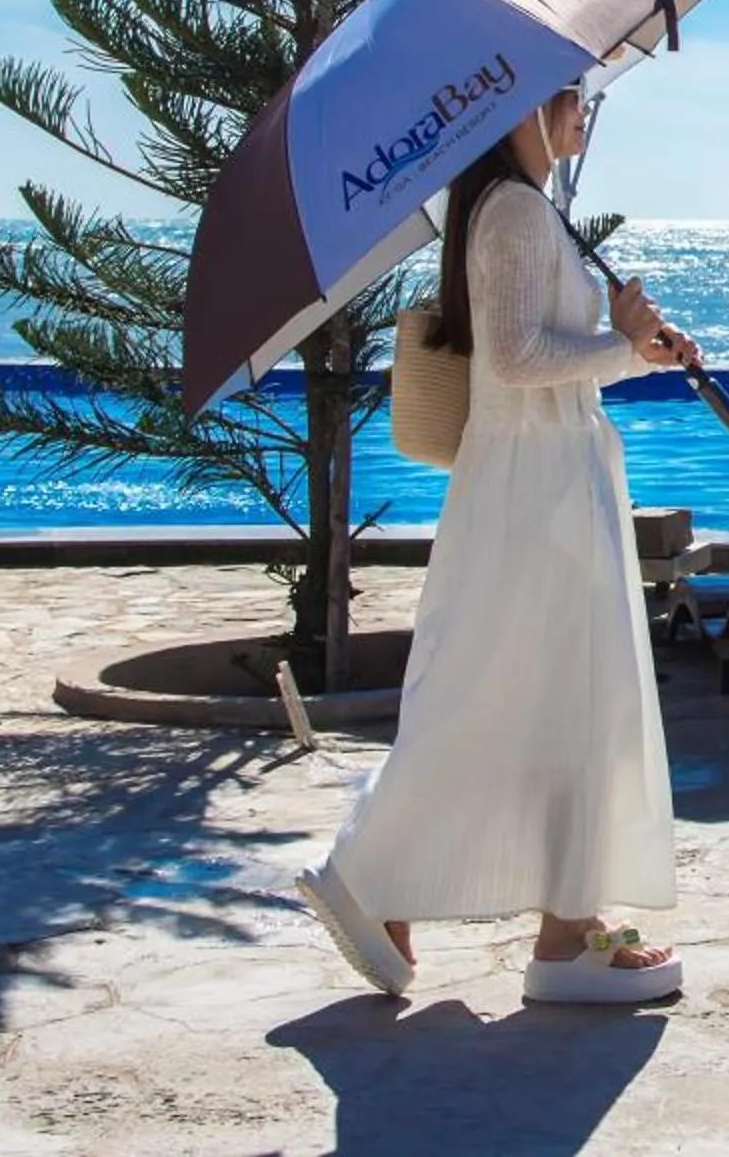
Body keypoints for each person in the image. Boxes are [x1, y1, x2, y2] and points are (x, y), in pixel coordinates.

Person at [296, 86, 693, 1003]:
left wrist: (636, 348)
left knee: (551, 698)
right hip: (535, 492)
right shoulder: (513, 212)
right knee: (511, 691)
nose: (585, 112)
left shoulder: (520, 209)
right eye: (574, 95)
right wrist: (625, 345)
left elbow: (535, 354)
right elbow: (515, 362)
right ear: (527, 106)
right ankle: (381, 876)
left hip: (547, 481)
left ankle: (566, 924)